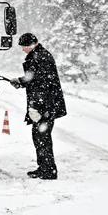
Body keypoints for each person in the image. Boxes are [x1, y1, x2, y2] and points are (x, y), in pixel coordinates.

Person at [8, 32, 66, 180]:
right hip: (45, 104)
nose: (22, 49)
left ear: (30, 45)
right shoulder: (40, 55)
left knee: (42, 137)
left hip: (45, 106)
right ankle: (44, 168)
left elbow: (38, 80)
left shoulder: (39, 57)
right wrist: (21, 82)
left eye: (23, 46)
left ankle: (48, 170)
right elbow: (35, 79)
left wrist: (21, 82)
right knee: (40, 136)